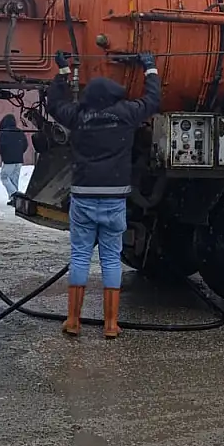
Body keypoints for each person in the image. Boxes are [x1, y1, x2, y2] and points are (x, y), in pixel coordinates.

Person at [47, 50, 161, 339]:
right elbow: (152, 101)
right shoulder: (125, 114)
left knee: (80, 256)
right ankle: (110, 324)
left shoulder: (79, 116)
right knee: (111, 259)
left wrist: (62, 71)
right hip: (114, 198)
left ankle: (73, 320)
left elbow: (55, 104)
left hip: (83, 197)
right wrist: (149, 68)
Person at [0, 113, 28, 205]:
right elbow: (25, 144)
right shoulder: (19, 131)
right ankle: (15, 200)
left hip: (9, 159)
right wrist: (19, 153)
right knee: (14, 179)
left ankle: (15, 194)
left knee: (4, 177)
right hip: (19, 159)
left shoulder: (3, 132)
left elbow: (1, 146)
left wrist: (4, 156)